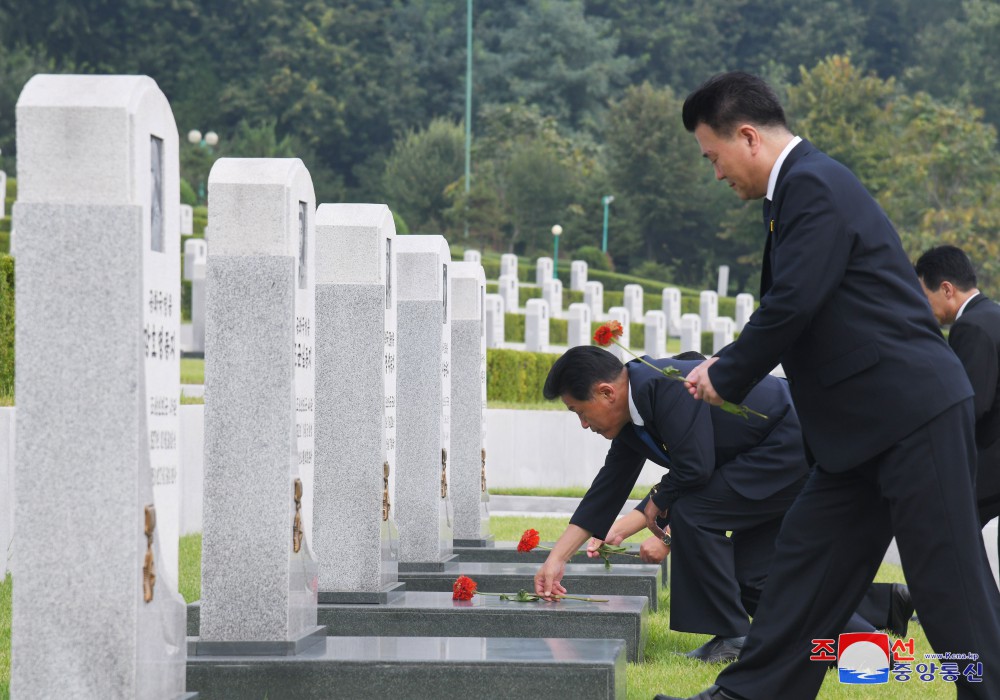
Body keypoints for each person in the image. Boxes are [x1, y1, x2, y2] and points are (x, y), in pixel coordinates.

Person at [666, 71, 1000, 700]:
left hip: (910, 415)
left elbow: (795, 301)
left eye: (713, 156)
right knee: (804, 570)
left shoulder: (813, 185)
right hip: (855, 435)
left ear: (747, 137)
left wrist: (727, 371)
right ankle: (749, 694)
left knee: (946, 584)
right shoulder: (796, 192)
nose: (715, 173)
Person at [532, 346, 912, 663]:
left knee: (694, 513)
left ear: (606, 392)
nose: (584, 424)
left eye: (579, 411)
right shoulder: (633, 414)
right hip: (770, 459)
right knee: (752, 576)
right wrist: (558, 558)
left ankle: (733, 637)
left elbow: (695, 468)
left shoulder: (663, 384)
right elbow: (608, 486)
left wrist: (658, 504)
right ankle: (869, 646)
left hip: (789, 445)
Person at [916, 246, 1000, 550]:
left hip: (989, 469)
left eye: (925, 296)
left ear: (947, 289)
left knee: (948, 548)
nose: (924, 307)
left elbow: (970, 405)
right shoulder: (993, 314)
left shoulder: (972, 326)